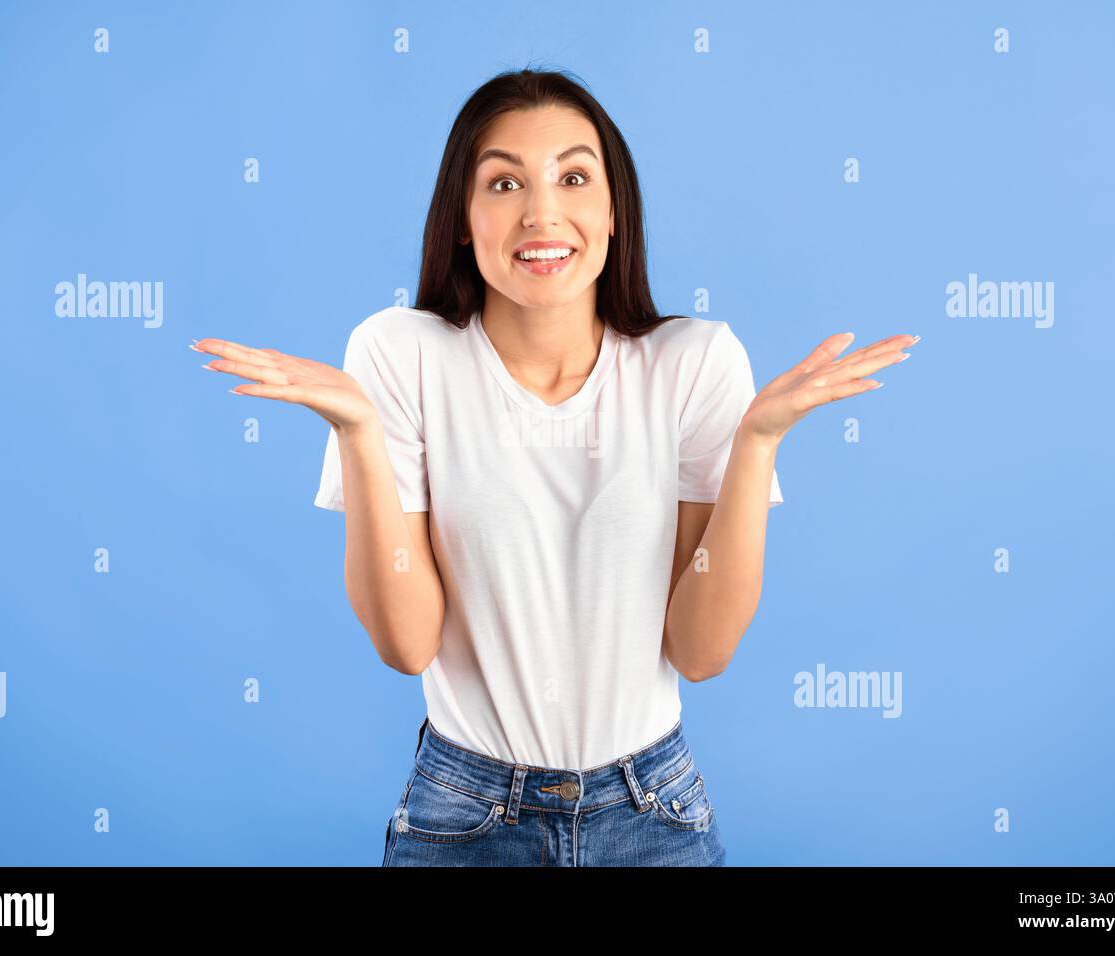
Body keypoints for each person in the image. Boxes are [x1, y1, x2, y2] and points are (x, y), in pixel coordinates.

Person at [190, 68, 917, 866]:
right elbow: (406, 644)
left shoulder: (695, 362)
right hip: (462, 812)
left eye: (573, 177)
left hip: (653, 813)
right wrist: (360, 432)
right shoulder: (399, 353)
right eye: (504, 182)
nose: (541, 213)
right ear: (463, 219)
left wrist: (756, 445)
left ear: (612, 211)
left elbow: (703, 654)